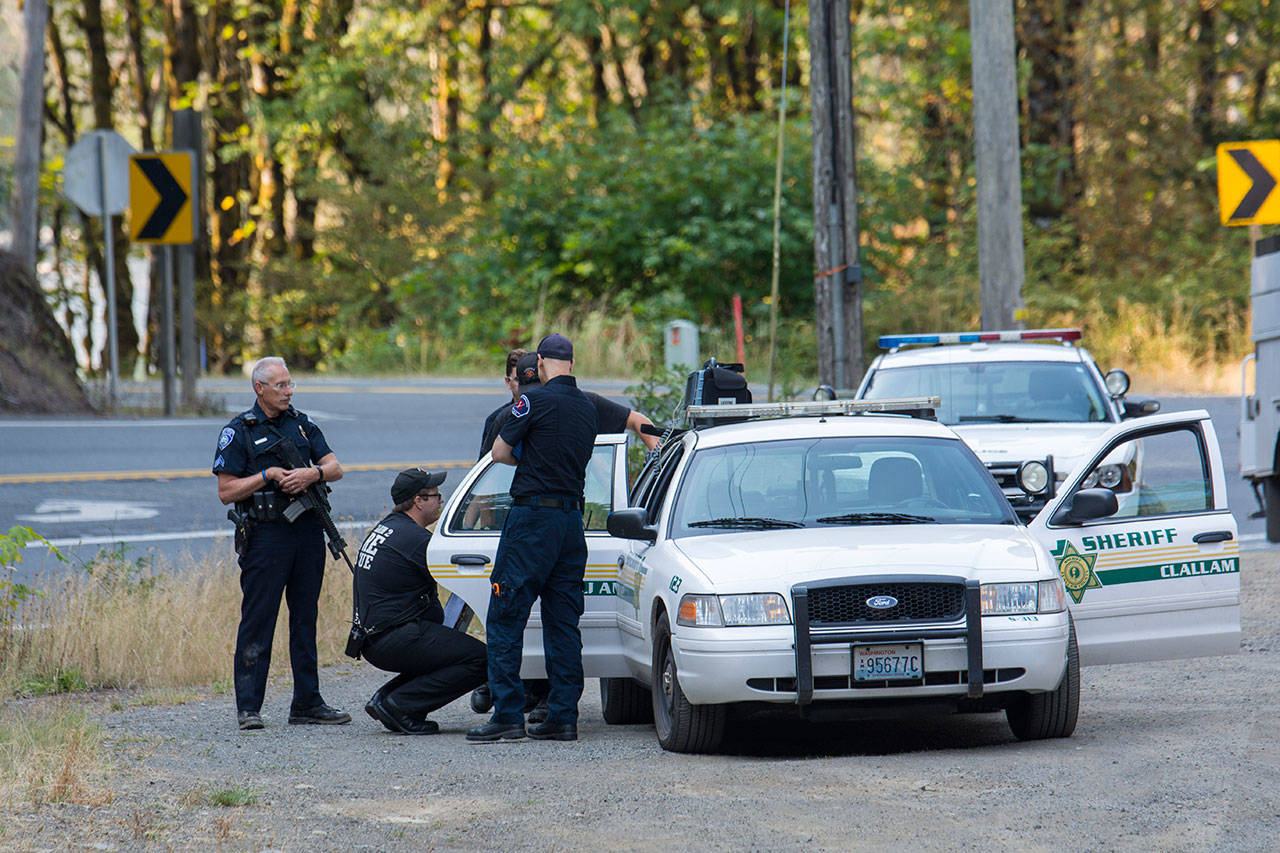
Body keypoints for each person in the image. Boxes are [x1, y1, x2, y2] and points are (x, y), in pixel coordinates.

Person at [466, 334, 598, 743]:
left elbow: (500, 452)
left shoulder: (531, 401)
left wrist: (530, 455)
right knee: (563, 621)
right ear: (572, 363)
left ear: (540, 363)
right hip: (571, 522)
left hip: (532, 520)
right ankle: (563, 715)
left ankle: (507, 714)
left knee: (505, 616)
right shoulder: (588, 407)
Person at [213, 356, 351, 731]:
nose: (289, 391)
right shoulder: (239, 431)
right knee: (259, 620)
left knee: (305, 618)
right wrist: (266, 474)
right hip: (266, 535)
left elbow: (336, 467)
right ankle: (249, 707)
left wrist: (313, 473)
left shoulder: (302, 425)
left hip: (306, 531)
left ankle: (307, 703)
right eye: (281, 386)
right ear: (260, 388)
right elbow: (226, 491)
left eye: (290, 385)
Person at [355, 468, 488, 735]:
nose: (441, 501)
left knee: (448, 646)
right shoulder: (415, 540)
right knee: (482, 659)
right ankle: (400, 705)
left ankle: (384, 699)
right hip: (395, 636)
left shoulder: (389, 528)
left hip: (376, 636)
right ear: (418, 500)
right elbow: (462, 571)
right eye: (436, 496)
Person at [479, 351, 660, 458]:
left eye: (537, 386)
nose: (532, 395)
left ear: (544, 374)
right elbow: (487, 474)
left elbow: (637, 420)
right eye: (520, 382)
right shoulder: (501, 419)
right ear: (508, 381)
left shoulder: (582, 403)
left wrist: (661, 463)